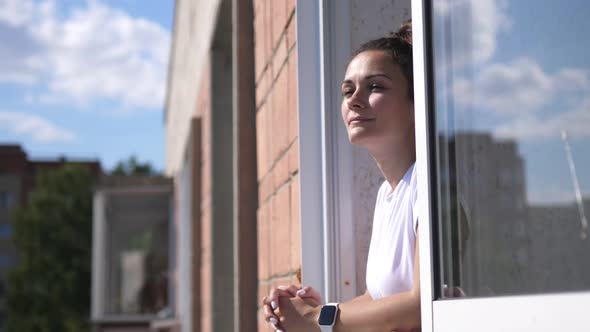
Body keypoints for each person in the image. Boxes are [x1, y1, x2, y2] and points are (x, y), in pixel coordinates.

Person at [262, 20, 421, 332]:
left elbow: (420, 306)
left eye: (375, 86)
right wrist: (315, 312)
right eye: (348, 90)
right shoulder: (388, 195)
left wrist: (312, 320)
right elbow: (377, 299)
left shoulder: (428, 186)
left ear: (416, 104)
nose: (354, 99)